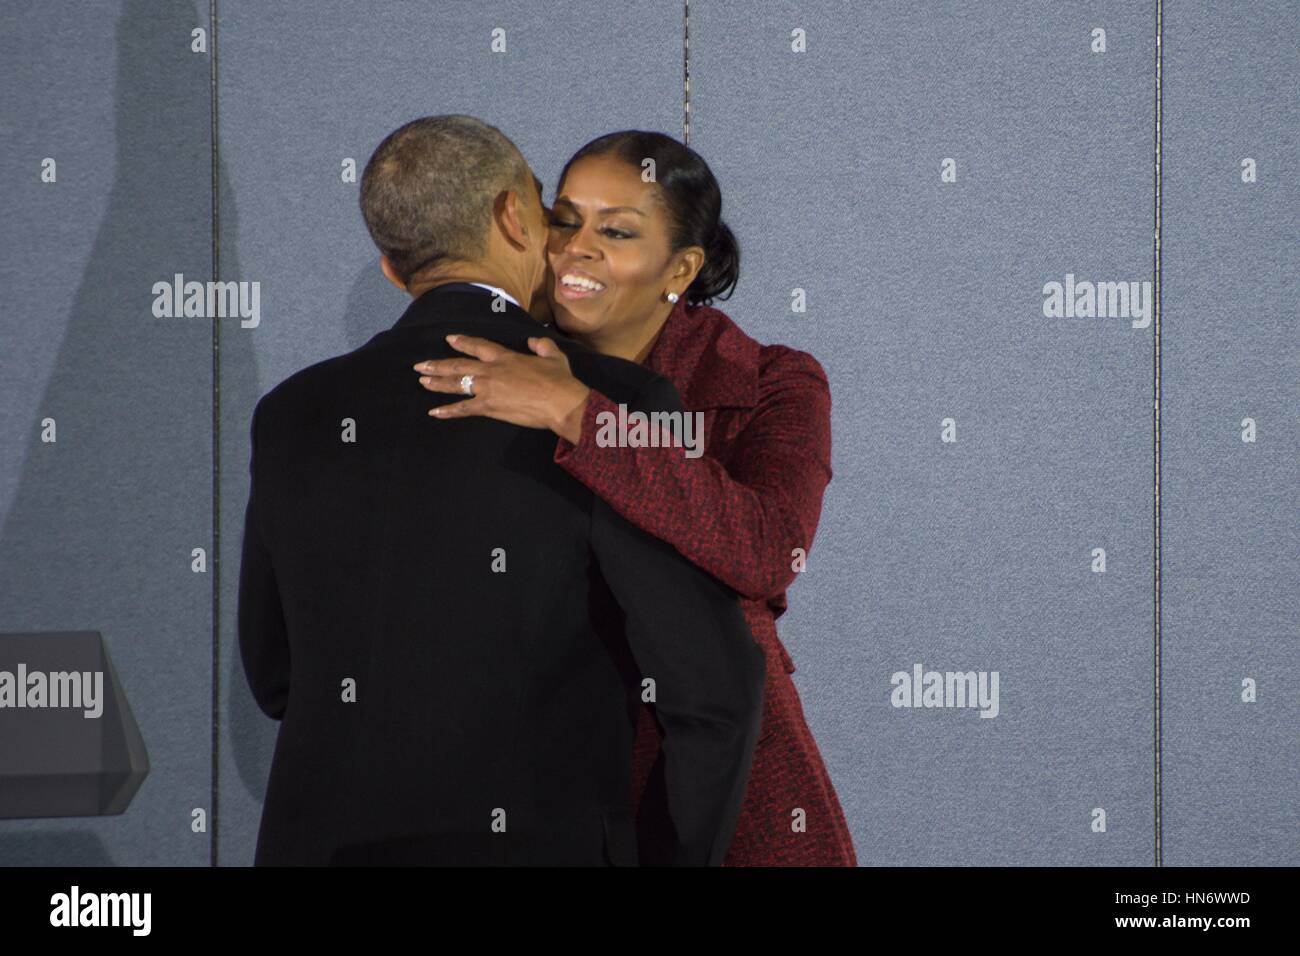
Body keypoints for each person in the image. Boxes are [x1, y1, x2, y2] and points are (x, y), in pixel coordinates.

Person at [237, 115, 766, 866]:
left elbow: (276, 676)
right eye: (553, 214)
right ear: (515, 218)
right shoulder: (613, 404)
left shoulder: (290, 414)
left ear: (392, 270)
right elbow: (713, 691)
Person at [408, 130, 857, 866]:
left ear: (679, 268)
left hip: (719, 771)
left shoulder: (775, 381)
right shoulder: (491, 360)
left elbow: (770, 549)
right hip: (535, 766)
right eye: (564, 220)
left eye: (615, 232)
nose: (576, 248)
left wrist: (578, 415)